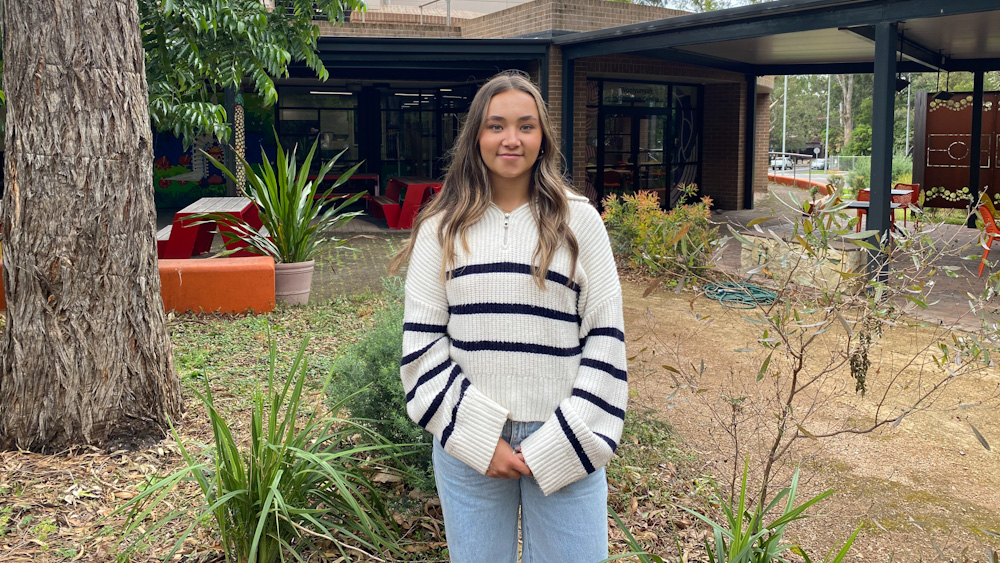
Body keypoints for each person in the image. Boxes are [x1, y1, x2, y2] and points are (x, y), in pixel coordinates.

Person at [389, 70, 627, 563]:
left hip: (568, 442)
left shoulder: (580, 221)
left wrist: (556, 446)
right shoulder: (440, 228)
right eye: (496, 126)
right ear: (476, 135)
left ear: (543, 138)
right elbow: (421, 348)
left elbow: (606, 339)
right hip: (470, 450)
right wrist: (481, 438)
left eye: (526, 125)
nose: (511, 139)